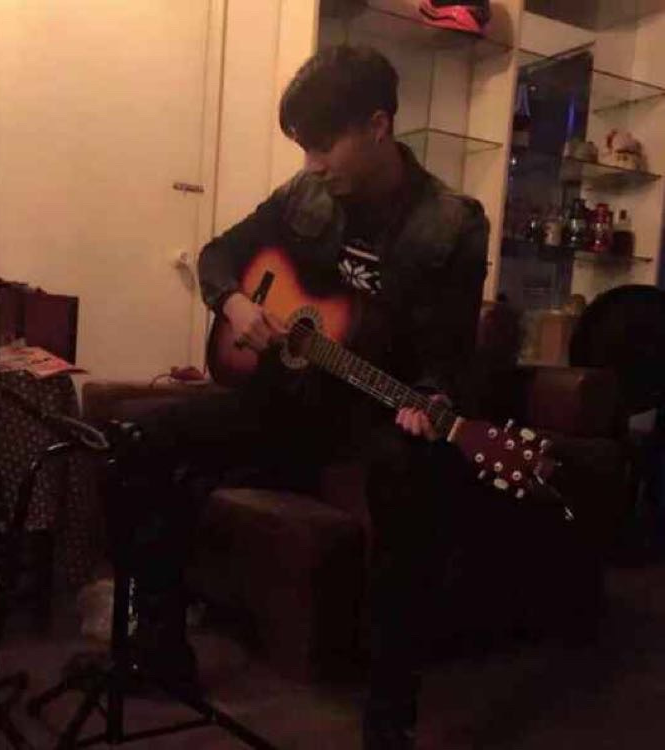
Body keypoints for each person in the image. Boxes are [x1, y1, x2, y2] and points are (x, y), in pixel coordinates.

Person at [126, 45, 489, 750]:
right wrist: (233, 303)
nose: (312, 164)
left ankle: (389, 719)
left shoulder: (452, 224)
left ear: (378, 126)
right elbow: (219, 255)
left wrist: (430, 399)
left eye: (324, 145)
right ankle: (161, 651)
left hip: (371, 416)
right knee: (146, 442)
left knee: (412, 478)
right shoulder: (306, 195)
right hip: (289, 401)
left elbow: (449, 361)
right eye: (304, 148)